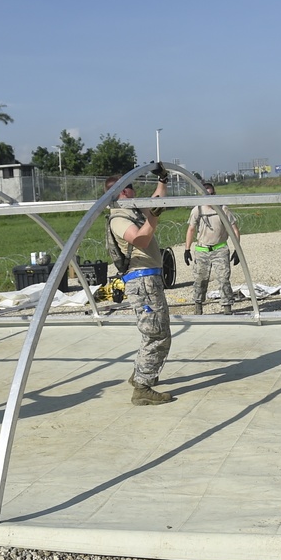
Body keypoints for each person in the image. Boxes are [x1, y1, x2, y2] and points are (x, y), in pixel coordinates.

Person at [107, 168, 174, 406]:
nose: (136, 191)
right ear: (123, 191)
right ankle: (142, 387)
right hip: (142, 280)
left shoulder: (133, 210)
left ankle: (140, 375)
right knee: (158, 334)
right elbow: (141, 239)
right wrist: (153, 217)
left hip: (149, 279)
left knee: (154, 331)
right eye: (132, 187)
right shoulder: (118, 218)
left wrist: (162, 180)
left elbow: (156, 202)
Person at [183, 182, 240, 315]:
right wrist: (187, 249)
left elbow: (234, 229)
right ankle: (198, 306)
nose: (209, 197)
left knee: (223, 279)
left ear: (215, 194)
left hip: (220, 250)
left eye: (211, 194)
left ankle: (227, 307)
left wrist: (237, 249)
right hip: (202, 250)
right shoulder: (197, 210)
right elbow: (191, 229)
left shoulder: (222, 209)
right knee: (200, 280)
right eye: (205, 194)